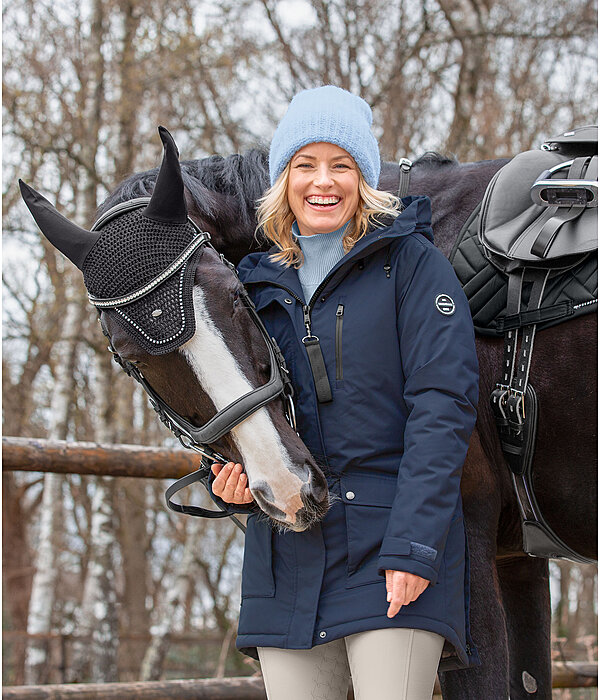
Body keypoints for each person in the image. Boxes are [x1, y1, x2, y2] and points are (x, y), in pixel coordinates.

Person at [209, 85, 479, 700]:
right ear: (284, 179)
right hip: (287, 559)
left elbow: (443, 408)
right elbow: (235, 412)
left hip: (389, 546)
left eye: (341, 165)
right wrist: (229, 479)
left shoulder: (413, 264)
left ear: (365, 178)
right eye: (305, 165)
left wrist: (414, 548)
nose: (322, 182)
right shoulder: (250, 291)